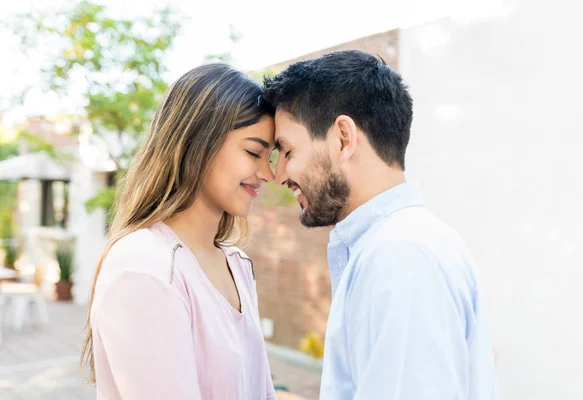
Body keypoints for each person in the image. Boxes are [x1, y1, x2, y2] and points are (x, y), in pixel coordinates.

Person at [263, 50, 499, 399]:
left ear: (343, 138)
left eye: (287, 151)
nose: (278, 174)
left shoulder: (400, 258)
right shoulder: (401, 245)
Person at [80, 64, 277, 399]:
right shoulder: (145, 266)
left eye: (269, 157)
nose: (267, 174)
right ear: (198, 142)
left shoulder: (238, 264)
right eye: (253, 152)